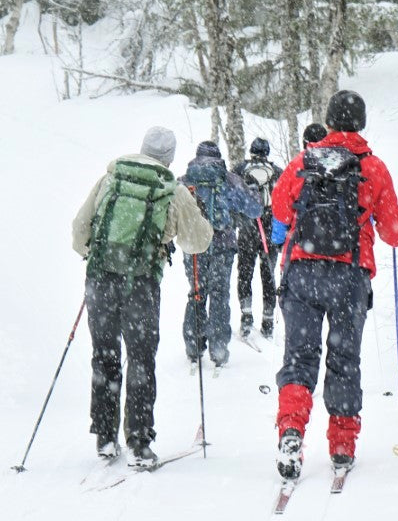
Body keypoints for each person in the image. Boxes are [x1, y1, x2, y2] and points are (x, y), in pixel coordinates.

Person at [270, 90, 398, 479]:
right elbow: (395, 231)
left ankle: (292, 431)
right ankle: (343, 445)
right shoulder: (374, 168)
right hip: (349, 276)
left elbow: (281, 209)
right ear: (361, 124)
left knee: (299, 358)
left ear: (329, 121)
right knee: (344, 360)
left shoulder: (304, 162)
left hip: (301, 272)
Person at [71, 126, 213, 467]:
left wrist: (94, 253)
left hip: (101, 279)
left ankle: (105, 437)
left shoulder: (112, 179)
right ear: (170, 158)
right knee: (140, 359)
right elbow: (198, 242)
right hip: (142, 284)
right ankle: (139, 441)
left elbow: (79, 229)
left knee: (104, 354)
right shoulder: (173, 190)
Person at [181, 140, 262, 370]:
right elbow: (254, 209)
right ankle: (218, 350)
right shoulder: (228, 179)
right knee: (219, 294)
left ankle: (193, 346)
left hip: (194, 245)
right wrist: (253, 191)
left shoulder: (186, 180)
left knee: (197, 292)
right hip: (222, 244)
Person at [233, 137, 283, 339]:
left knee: (245, 273)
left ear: (252, 151)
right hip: (269, 231)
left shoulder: (239, 170)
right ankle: (268, 321)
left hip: (247, 229)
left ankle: (246, 318)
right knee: (268, 275)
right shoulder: (277, 172)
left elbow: (234, 197)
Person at [271, 123, 328, 247]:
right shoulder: (342, 163)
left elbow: (280, 204)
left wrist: (278, 240)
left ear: (305, 142)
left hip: (302, 246)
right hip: (340, 244)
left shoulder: (296, 165)